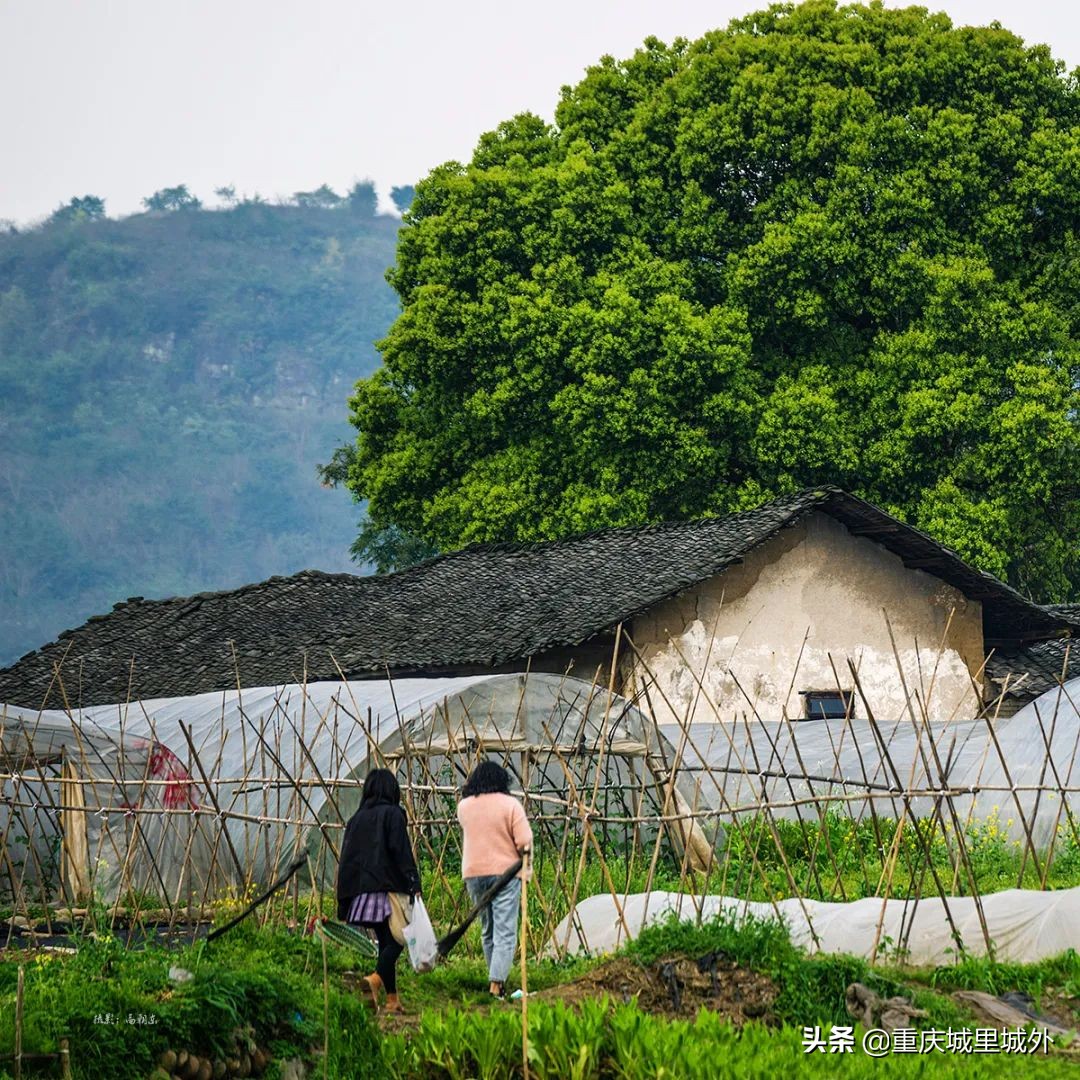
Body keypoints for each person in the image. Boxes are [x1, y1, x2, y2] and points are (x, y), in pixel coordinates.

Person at [336, 768, 421, 1013]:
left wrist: (344, 901)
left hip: (362, 895)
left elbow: (347, 861)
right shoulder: (393, 815)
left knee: (386, 942)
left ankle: (392, 1000)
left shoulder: (356, 820)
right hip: (387, 890)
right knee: (398, 939)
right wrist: (413, 882)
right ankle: (373, 981)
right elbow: (401, 852)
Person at [457, 761, 534, 998]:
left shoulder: (464, 806)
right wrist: (526, 871)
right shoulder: (510, 805)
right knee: (505, 930)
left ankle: (496, 984)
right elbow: (524, 841)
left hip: (473, 873)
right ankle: (496, 984)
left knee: (488, 929)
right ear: (502, 781)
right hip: (505, 873)